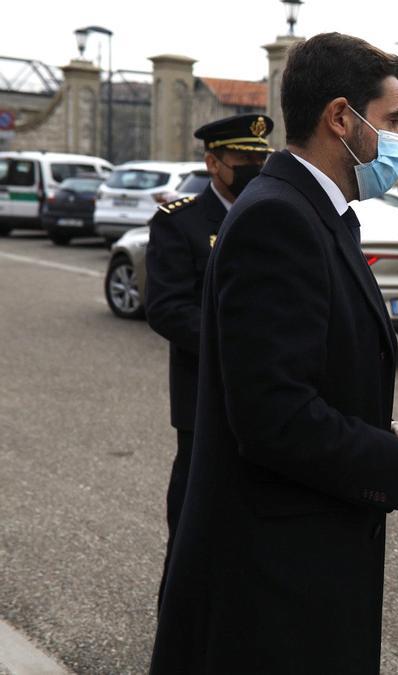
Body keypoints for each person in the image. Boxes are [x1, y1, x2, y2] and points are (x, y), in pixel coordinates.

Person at [150, 33, 398, 673]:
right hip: (274, 580)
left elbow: (308, 371)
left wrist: (371, 421)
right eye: (392, 122)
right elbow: (273, 416)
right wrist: (391, 457)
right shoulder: (279, 218)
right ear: (341, 117)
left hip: (300, 559)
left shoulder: (315, 211)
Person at [144, 113, 273, 607]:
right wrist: (240, 343)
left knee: (252, 522)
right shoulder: (180, 221)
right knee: (195, 522)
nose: (254, 167)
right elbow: (167, 309)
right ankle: (181, 626)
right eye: (243, 159)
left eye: (261, 158)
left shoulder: (270, 215)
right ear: (213, 162)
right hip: (203, 398)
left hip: (265, 396)